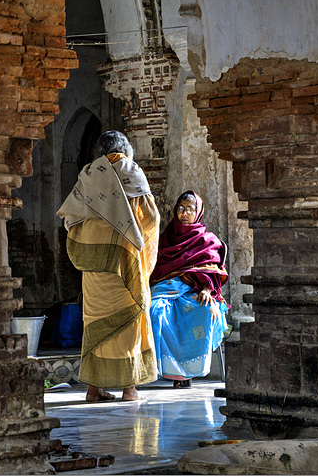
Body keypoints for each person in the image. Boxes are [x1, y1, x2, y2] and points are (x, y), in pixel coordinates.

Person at [57, 130, 160, 401]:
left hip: (95, 264)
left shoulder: (89, 175)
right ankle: (129, 389)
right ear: (126, 150)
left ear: (98, 151)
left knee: (95, 322)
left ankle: (94, 389)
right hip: (125, 259)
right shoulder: (132, 171)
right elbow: (150, 219)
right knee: (130, 320)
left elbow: (71, 218)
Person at [149, 190, 229, 388]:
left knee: (203, 310)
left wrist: (206, 289)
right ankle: (170, 372)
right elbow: (154, 268)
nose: (184, 213)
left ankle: (189, 372)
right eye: (181, 209)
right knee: (155, 310)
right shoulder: (165, 238)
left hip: (195, 289)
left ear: (198, 212)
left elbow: (213, 269)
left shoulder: (207, 240)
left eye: (190, 209)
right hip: (165, 288)